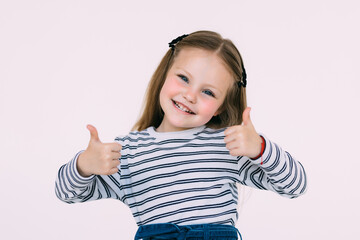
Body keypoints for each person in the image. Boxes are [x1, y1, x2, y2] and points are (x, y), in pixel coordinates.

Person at [55, 30, 307, 240]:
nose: (190, 95)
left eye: (208, 92)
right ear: (165, 73)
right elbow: (66, 193)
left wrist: (261, 148)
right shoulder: (128, 152)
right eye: (184, 78)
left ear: (220, 106)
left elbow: (295, 186)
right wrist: (83, 166)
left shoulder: (228, 144)